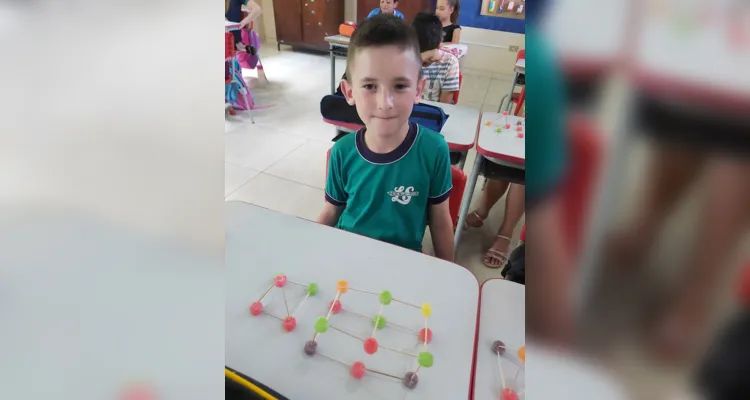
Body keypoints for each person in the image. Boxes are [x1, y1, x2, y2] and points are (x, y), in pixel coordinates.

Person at [317, 14, 455, 262]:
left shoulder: (434, 150)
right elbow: (330, 212)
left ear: (418, 90)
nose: (385, 103)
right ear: (349, 92)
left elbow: (440, 220)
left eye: (400, 86)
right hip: (347, 256)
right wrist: (310, 250)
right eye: (370, 86)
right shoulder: (342, 152)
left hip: (402, 264)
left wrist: (450, 272)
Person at [412, 13, 460, 103]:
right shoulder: (406, 58)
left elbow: (444, 106)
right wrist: (424, 56)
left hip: (434, 112)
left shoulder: (450, 62)